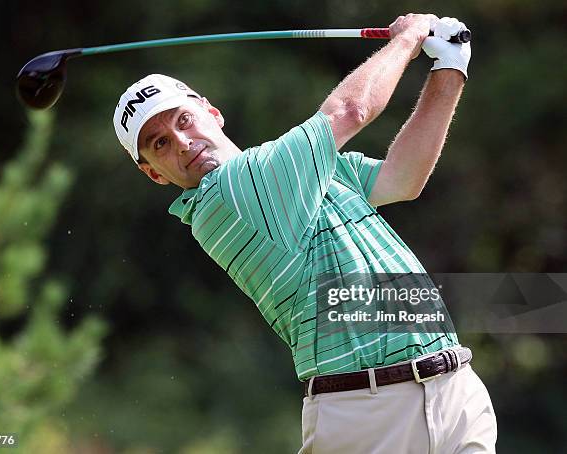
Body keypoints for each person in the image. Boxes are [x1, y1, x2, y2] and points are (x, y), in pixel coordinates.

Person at [113, 13, 497, 454]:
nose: (181, 142)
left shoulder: (295, 174)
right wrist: (408, 39)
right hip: (367, 414)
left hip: (453, 387)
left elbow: (402, 179)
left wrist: (449, 70)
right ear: (154, 175)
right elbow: (351, 110)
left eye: (183, 120)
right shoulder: (226, 196)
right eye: (159, 143)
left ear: (212, 113)